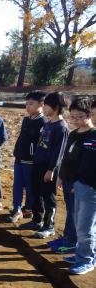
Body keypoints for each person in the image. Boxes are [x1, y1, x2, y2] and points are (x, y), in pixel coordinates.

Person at [21, 91, 69, 238]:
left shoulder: (61, 127)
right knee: (36, 193)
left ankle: (49, 226)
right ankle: (37, 220)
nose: (44, 108)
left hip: (49, 168)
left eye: (46, 105)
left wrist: (51, 169)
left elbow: (59, 152)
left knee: (49, 197)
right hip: (38, 164)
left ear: (54, 107)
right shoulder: (49, 124)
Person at [55, 97, 93, 257]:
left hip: (81, 183)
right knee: (71, 211)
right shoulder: (73, 134)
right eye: (73, 116)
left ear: (89, 114)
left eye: (80, 116)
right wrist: (61, 176)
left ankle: (72, 242)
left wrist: (78, 183)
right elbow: (65, 157)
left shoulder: (92, 135)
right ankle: (67, 237)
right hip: (68, 180)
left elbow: (87, 164)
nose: (76, 120)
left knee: (78, 215)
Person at [66, 97, 96, 275]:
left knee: (85, 227)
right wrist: (75, 180)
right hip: (80, 185)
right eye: (92, 113)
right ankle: (81, 253)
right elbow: (80, 162)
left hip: (92, 189)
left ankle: (86, 259)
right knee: (80, 223)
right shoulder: (90, 136)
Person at [9, 90, 46, 223]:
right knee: (17, 184)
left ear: (41, 104)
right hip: (19, 157)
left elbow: (41, 144)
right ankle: (17, 208)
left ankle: (29, 209)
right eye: (26, 104)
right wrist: (16, 151)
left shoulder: (43, 122)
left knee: (30, 186)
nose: (28, 106)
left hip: (31, 161)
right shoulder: (26, 120)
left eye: (31, 104)